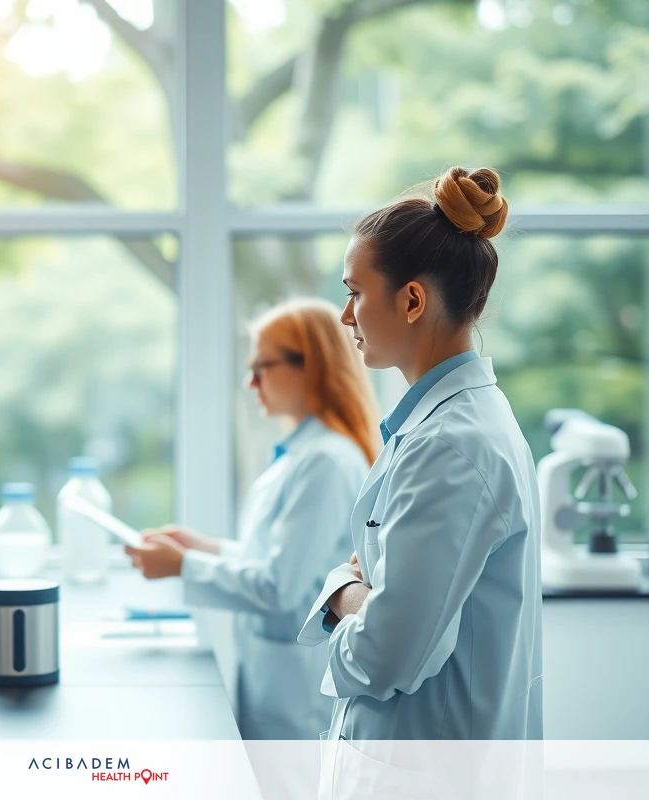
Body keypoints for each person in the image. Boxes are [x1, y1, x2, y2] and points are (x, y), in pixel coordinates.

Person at [299, 166, 543, 751]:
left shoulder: (450, 447)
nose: (345, 315)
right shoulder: (453, 426)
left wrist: (341, 592)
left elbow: (383, 660)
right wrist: (368, 601)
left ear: (412, 300)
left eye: (355, 292)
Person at [126, 298, 379, 740]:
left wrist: (182, 566)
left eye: (263, 366)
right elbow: (278, 559)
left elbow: (281, 587)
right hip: (274, 684)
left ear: (311, 367)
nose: (251, 382)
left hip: (296, 699)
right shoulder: (300, 455)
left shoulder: (325, 462)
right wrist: (203, 548)